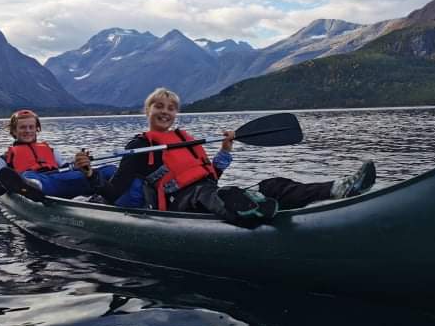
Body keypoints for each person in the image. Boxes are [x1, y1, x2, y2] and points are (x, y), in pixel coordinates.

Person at [94, 87, 376, 226]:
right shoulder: (140, 145)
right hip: (180, 205)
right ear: (147, 110)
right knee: (211, 194)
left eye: (171, 107)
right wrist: (88, 175)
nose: (165, 111)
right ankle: (250, 211)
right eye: (158, 106)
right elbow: (112, 191)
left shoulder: (184, 140)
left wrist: (225, 152)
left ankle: (338, 188)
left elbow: (212, 175)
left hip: (210, 193)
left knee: (273, 184)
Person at [0, 109, 114, 199]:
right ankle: (30, 185)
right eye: (23, 128)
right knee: (29, 175)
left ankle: (115, 192)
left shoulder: (51, 151)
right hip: (43, 187)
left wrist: (80, 167)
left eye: (31, 127)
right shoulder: (4, 159)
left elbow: (67, 168)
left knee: (109, 170)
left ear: (36, 129)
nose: (28, 131)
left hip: (63, 181)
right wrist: (3, 184)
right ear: (14, 130)